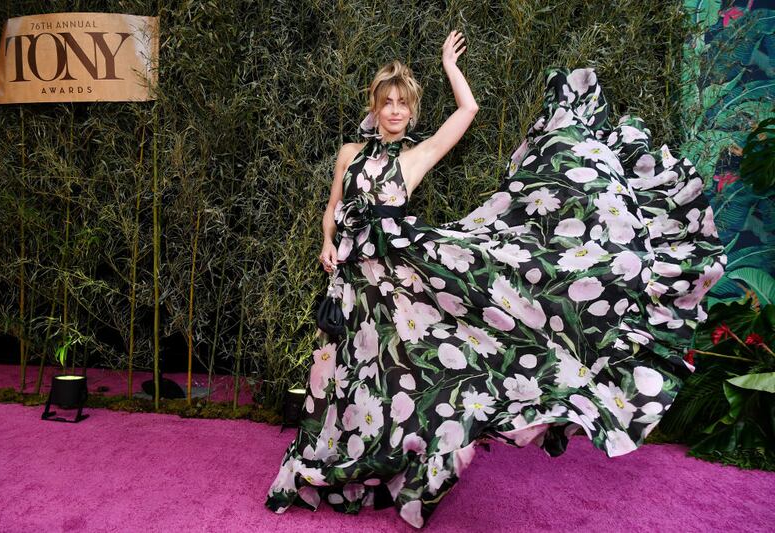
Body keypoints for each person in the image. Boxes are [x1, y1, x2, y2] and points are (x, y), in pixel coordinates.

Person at [265, 30, 725, 529]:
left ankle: (426, 457)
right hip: (352, 283)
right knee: (351, 375)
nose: (394, 111)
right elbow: (333, 208)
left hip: (399, 278)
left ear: (411, 112)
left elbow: (468, 110)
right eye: (387, 102)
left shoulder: (416, 156)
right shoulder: (349, 153)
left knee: (412, 371)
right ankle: (341, 461)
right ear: (374, 107)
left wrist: (450, 66)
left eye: (402, 103)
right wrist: (327, 241)